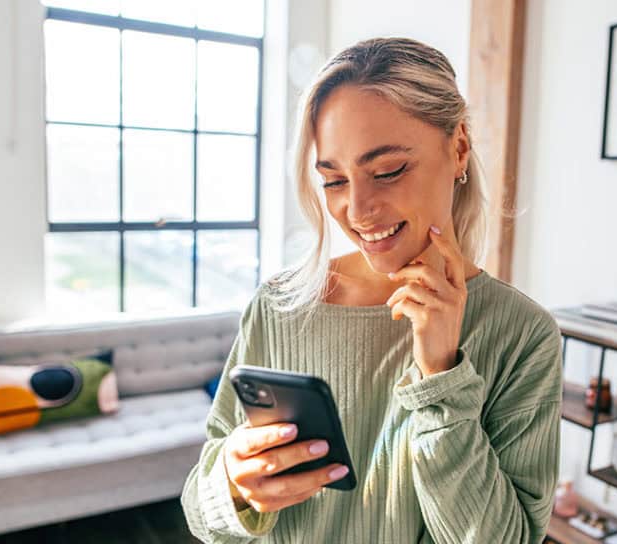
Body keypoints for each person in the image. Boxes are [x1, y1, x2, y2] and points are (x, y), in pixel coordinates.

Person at [181, 37, 562, 543]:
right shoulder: (280, 305)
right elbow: (201, 512)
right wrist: (234, 483)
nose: (357, 212)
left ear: (459, 148)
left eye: (388, 171)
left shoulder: (522, 333)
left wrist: (441, 378)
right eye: (334, 180)